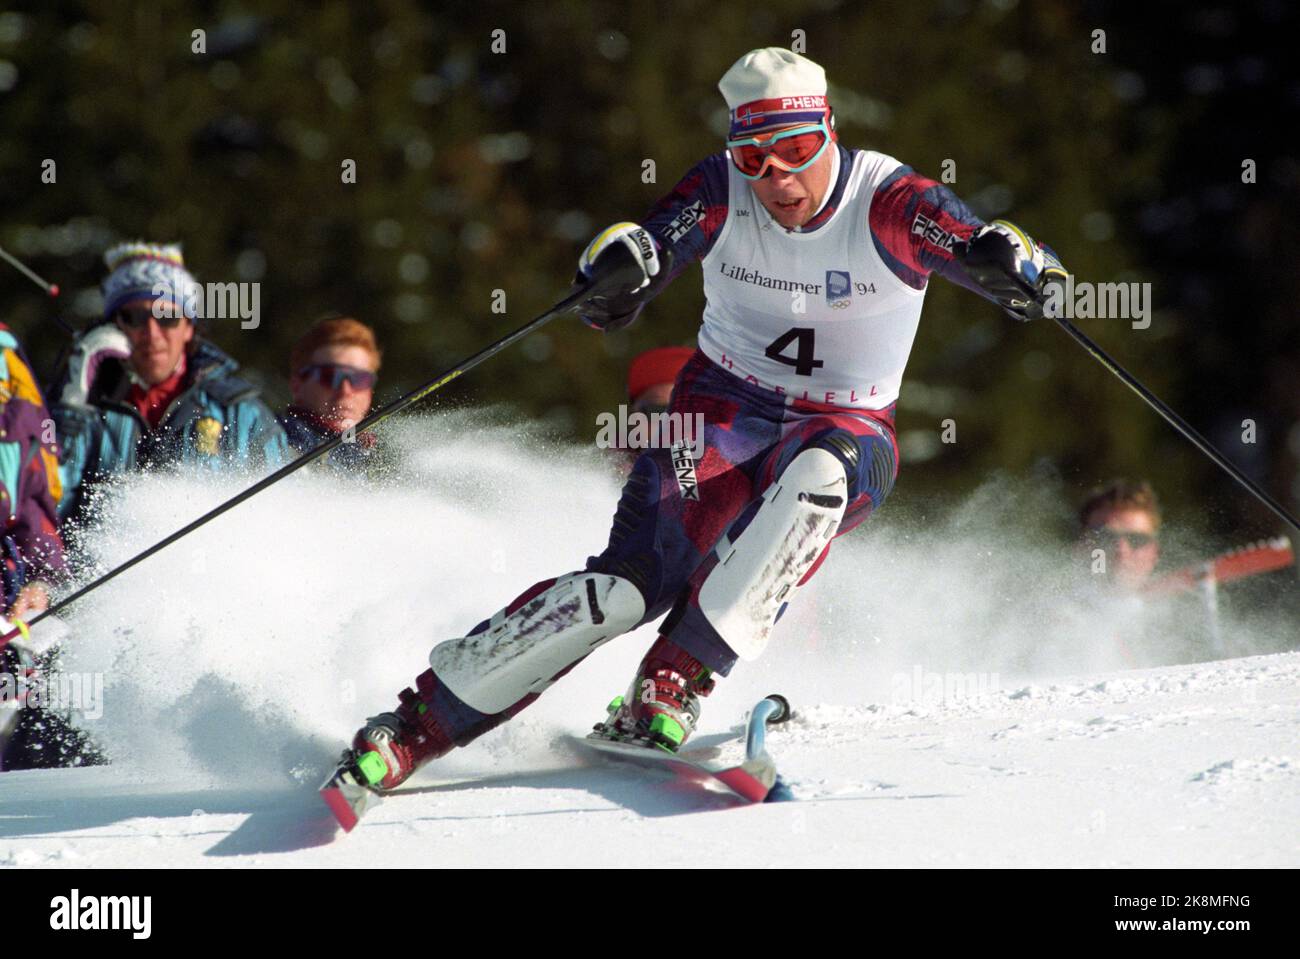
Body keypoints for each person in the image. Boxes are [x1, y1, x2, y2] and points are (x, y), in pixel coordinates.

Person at [333, 48, 1068, 793]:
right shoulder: (723, 189)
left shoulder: (887, 200)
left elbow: (989, 246)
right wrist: (617, 274)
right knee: (625, 589)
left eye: (798, 151)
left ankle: (673, 681)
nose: (777, 176)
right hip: (722, 411)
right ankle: (411, 728)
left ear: (831, 132)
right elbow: (655, 240)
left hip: (849, 425)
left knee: (817, 480)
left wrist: (1018, 268)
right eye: (754, 156)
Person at [50, 242, 289, 535]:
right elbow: (44, 508)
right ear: (113, 327)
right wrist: (70, 406)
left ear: (189, 326)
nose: (152, 333)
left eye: (167, 317)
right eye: (134, 318)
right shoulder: (76, 406)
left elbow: (283, 519)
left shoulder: (240, 413)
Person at [278, 316, 381, 470]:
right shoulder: (275, 438)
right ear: (297, 385)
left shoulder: (378, 454)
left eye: (360, 379)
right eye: (329, 376)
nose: (346, 391)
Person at [1077, 479, 1162, 592]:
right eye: (1105, 537)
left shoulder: (1187, 606)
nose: (1121, 550)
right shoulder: (1049, 603)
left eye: (1137, 539)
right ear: (1080, 547)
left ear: (1155, 553)